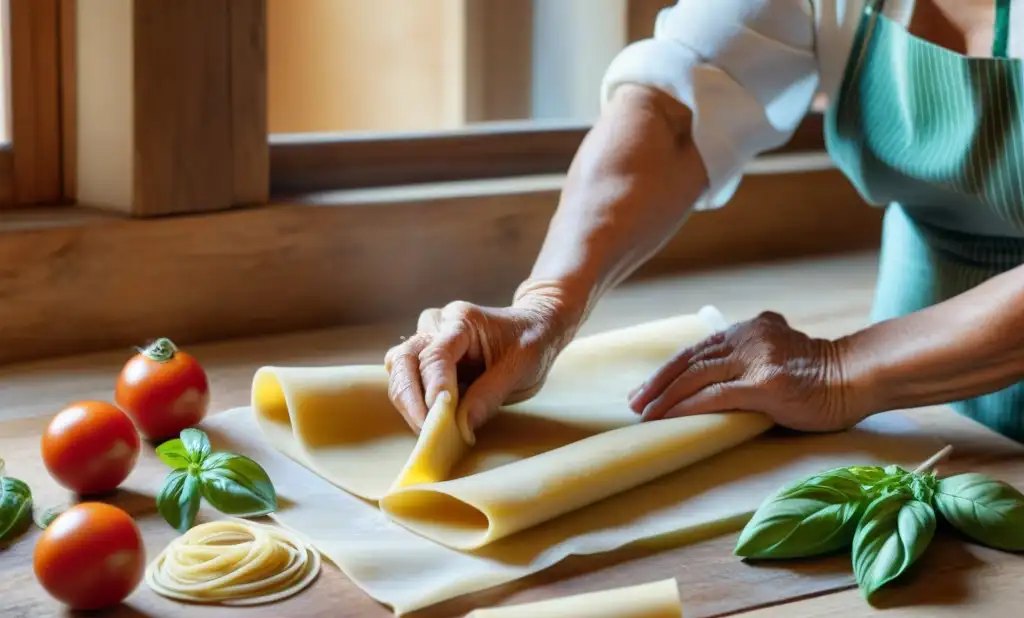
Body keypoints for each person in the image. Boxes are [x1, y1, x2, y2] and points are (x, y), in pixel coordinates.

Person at [386, 0, 1024, 447]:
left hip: (889, 371)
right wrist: (545, 307)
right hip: (913, 393)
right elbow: (672, 115)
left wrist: (841, 370)